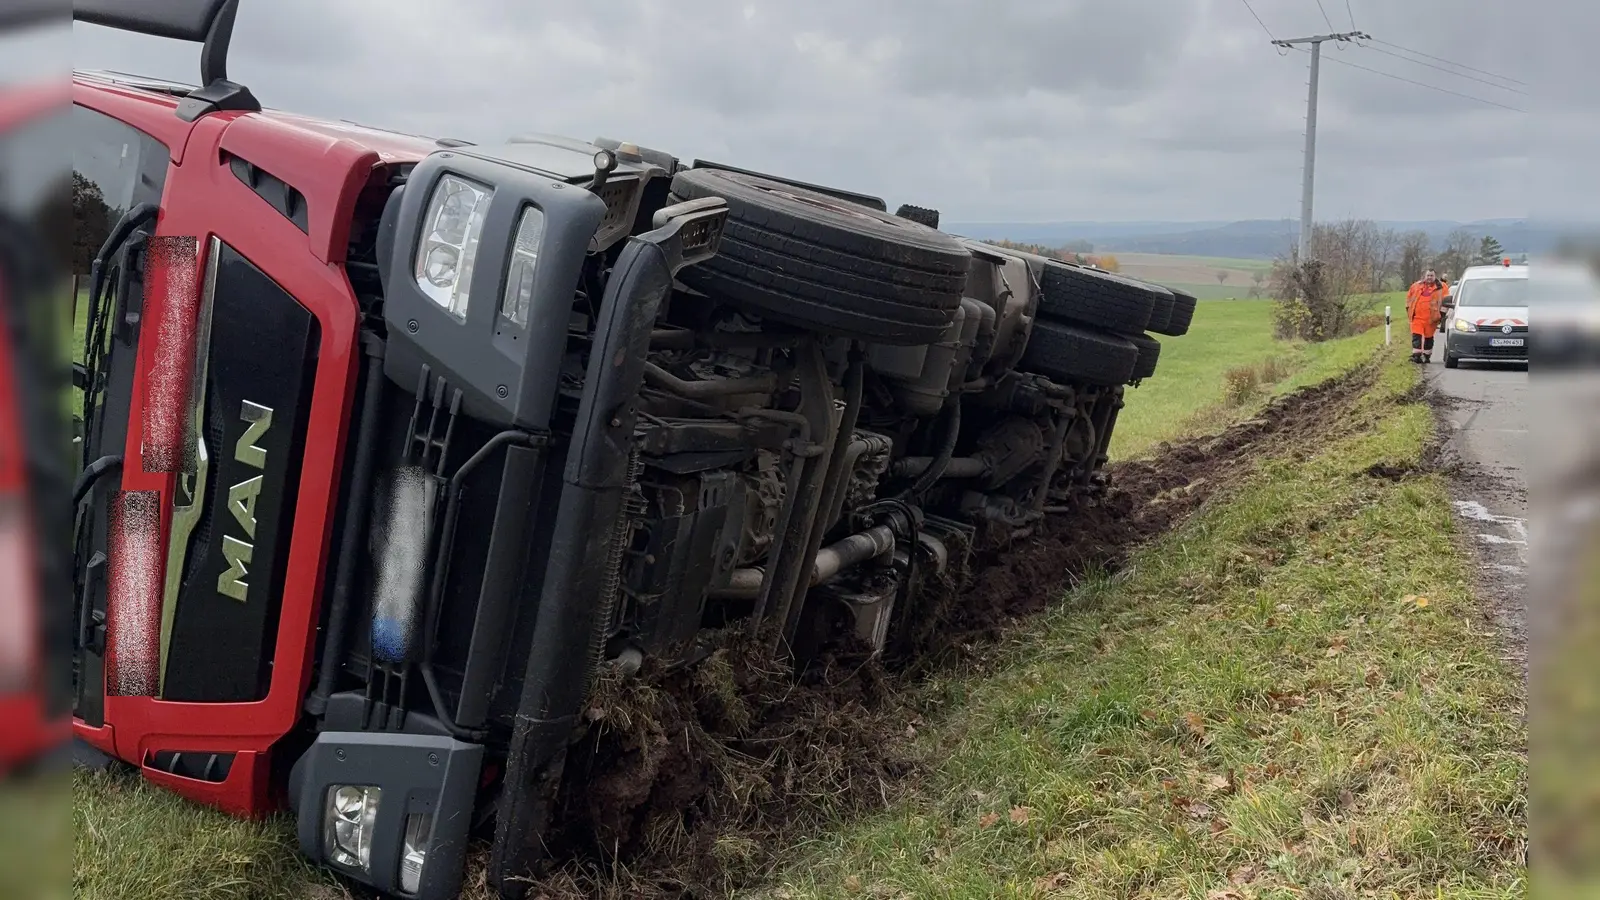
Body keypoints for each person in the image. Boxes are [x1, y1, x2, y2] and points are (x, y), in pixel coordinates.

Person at [1406, 269, 1448, 363]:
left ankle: (1426, 355)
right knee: (1416, 336)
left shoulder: (1442, 287)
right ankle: (1416, 356)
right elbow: (1409, 298)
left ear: (1435, 276)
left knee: (1429, 338)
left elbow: (1446, 302)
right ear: (1424, 276)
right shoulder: (1416, 286)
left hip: (1432, 319)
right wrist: (1409, 310)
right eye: (1428, 275)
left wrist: (1442, 316)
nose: (1429, 277)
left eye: (1431, 275)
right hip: (1417, 317)